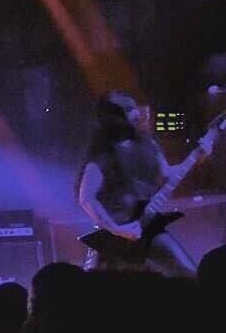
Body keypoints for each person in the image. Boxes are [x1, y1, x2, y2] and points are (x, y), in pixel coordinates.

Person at [76, 91, 214, 276]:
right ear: (111, 117)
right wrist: (116, 229)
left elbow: (169, 174)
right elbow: (86, 197)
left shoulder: (149, 144)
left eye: (135, 107)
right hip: (115, 238)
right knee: (89, 296)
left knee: (190, 275)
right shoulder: (103, 154)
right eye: (128, 109)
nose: (137, 114)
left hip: (148, 228)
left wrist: (199, 155)